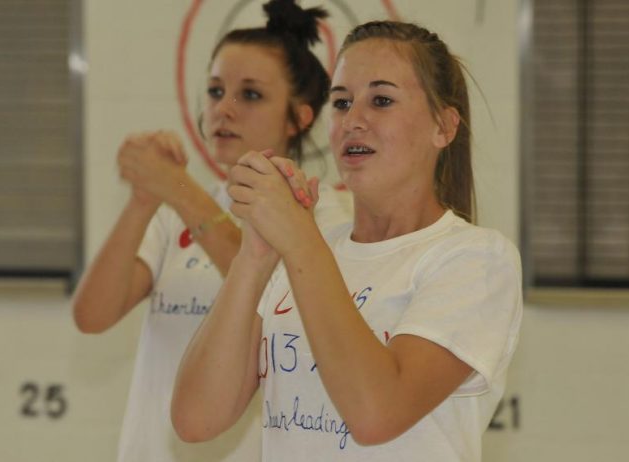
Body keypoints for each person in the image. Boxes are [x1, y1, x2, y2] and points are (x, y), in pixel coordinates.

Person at [172, 20, 523, 462]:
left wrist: (300, 241)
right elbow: (195, 419)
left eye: (381, 100)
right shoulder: (305, 253)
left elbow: (376, 413)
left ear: (444, 126)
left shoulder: (475, 259)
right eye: (341, 103)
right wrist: (255, 255)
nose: (354, 120)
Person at [71, 1, 350, 461]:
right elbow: (92, 316)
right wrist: (145, 201)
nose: (225, 109)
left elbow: (273, 293)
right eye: (216, 91)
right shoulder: (177, 207)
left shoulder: (328, 216)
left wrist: (180, 191)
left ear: (300, 117)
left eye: (251, 95)